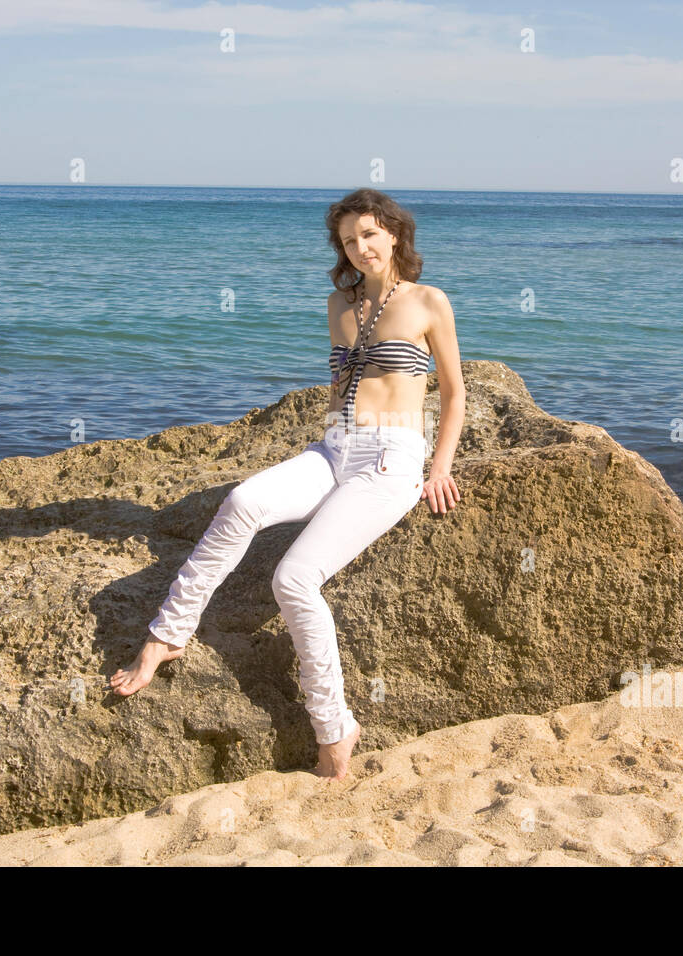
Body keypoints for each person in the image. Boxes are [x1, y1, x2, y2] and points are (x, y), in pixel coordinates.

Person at [110, 188, 466, 782]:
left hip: (390, 461)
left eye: (371, 234)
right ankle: (169, 634)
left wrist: (439, 467)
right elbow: (337, 391)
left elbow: (454, 394)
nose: (361, 248)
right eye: (350, 240)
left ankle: (335, 729)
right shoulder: (339, 304)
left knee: (294, 579)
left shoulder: (429, 302)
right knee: (243, 500)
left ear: (396, 235)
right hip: (333, 449)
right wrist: (325, 448)